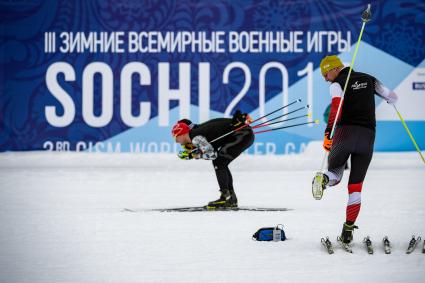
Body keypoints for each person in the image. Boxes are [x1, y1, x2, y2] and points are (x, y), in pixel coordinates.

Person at [312, 55, 398, 244]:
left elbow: (336, 108)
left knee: (335, 172)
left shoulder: (336, 84)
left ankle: (324, 179)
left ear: (334, 69)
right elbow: (392, 96)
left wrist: (328, 133)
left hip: (345, 133)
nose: (326, 78)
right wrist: (390, 101)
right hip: (367, 137)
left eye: (326, 74)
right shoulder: (369, 78)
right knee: (355, 188)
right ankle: (348, 230)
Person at [171, 111, 254, 209]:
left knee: (219, 162)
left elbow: (211, 155)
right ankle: (230, 198)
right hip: (243, 133)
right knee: (220, 162)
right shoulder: (197, 132)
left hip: (242, 134)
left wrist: (193, 155)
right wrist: (195, 153)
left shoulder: (195, 138)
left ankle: (227, 198)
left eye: (176, 138)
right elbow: (211, 150)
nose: (177, 142)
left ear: (181, 134)